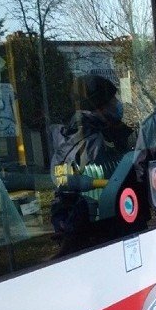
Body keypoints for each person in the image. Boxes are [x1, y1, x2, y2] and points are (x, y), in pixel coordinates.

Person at [49, 74, 135, 255]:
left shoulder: (67, 134)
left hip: (78, 225)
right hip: (103, 228)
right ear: (100, 106)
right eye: (113, 99)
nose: (117, 104)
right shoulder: (94, 139)